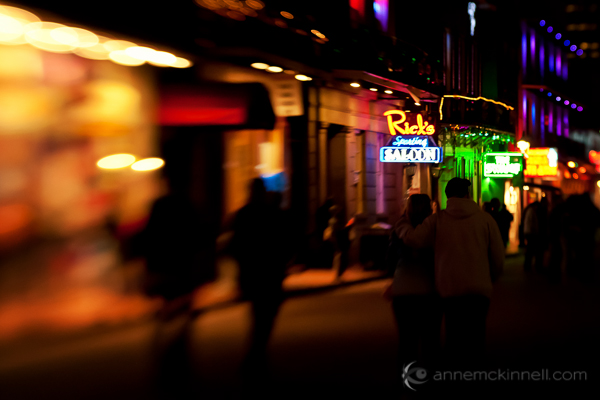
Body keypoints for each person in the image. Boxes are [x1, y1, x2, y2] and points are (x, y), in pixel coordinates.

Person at [396, 178, 504, 369]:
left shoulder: (438, 220)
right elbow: (497, 257)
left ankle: (454, 379)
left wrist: (403, 225)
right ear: (467, 195)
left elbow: (414, 239)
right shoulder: (485, 220)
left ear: (448, 196)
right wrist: (490, 277)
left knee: (454, 337)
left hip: (450, 289)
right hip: (479, 290)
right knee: (476, 337)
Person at [229, 178, 292, 378]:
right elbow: (283, 242)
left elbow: (234, 246)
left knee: (259, 313)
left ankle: (255, 355)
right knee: (266, 315)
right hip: (269, 273)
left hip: (253, 273)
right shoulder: (271, 214)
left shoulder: (242, 214)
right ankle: (256, 355)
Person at [385, 194, 441, 372]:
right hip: (430, 291)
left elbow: (390, 261)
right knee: (431, 343)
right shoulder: (435, 229)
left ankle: (408, 386)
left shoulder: (399, 229)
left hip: (403, 291)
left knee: (407, 343)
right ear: (429, 209)